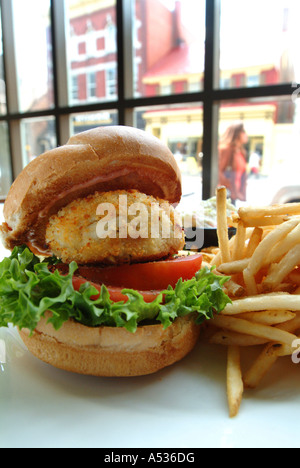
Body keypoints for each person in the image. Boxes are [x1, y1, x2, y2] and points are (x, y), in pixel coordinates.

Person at [218, 122, 248, 204]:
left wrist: (239, 192)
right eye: (243, 131)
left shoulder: (240, 151)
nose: (246, 134)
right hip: (226, 194)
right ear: (236, 133)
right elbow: (218, 171)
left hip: (235, 194)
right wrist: (229, 186)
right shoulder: (226, 149)